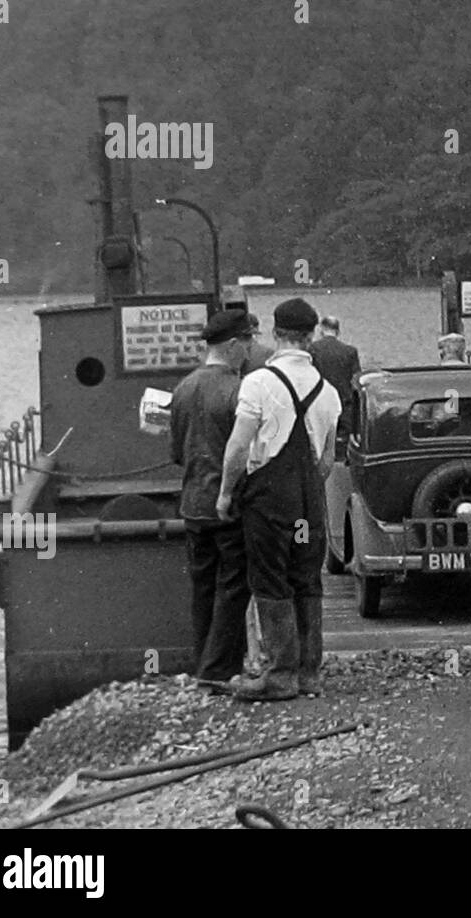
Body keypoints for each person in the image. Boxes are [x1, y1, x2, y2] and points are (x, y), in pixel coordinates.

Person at [217, 299, 341, 701]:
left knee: (270, 579)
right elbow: (325, 461)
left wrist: (224, 493)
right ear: (310, 337)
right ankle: (309, 675)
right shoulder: (329, 392)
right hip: (309, 506)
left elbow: (238, 448)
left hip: (270, 502)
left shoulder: (258, 383)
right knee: (307, 580)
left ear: (275, 334)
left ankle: (280, 674)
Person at [169, 309, 254, 692]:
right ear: (233, 345)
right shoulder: (237, 390)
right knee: (234, 584)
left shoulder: (183, 388)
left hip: (192, 503)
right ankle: (219, 669)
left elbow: (176, 453)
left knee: (202, 586)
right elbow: (245, 451)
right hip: (228, 502)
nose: (248, 352)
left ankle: (203, 660)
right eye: (246, 344)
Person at [310, 315, 361, 457]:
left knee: (321, 444)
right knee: (345, 447)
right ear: (338, 331)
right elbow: (356, 379)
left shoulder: (312, 350)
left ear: (321, 330)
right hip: (344, 404)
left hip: (320, 404)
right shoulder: (350, 351)